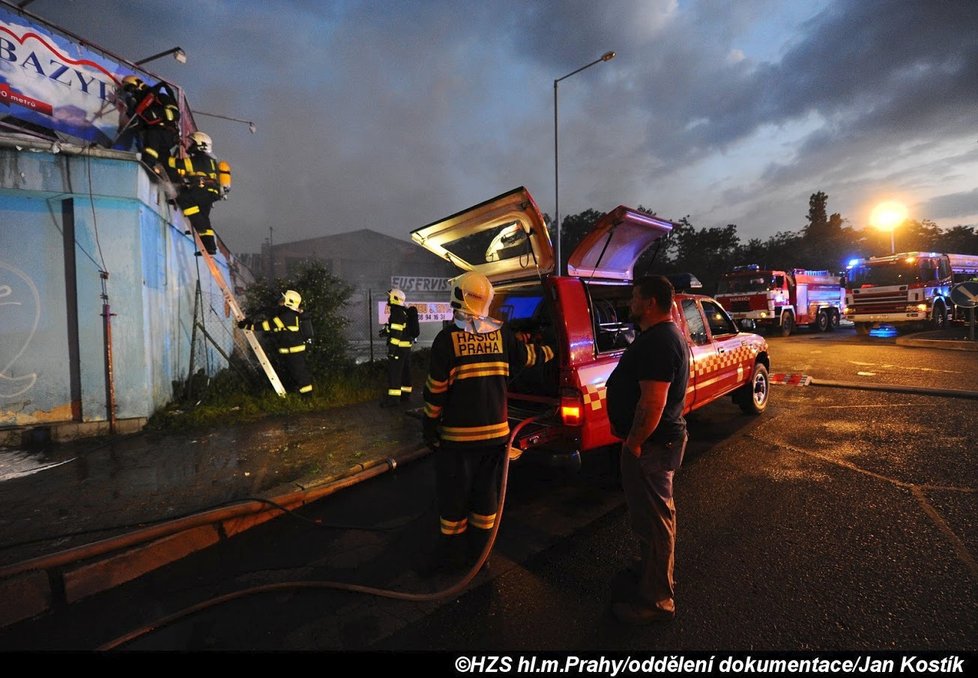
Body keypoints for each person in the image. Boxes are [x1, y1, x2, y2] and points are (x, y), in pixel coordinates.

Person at [421, 271, 554, 571]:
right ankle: (481, 555)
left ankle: (453, 557)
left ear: (459, 298)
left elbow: (435, 393)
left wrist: (429, 428)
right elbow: (529, 358)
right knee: (486, 495)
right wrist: (553, 348)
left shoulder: (447, 340)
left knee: (454, 499)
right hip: (496, 437)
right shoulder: (502, 333)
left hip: (457, 440)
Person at [604, 275, 689, 625]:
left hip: (652, 445)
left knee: (656, 522)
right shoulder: (659, 336)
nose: (631, 302)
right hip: (654, 444)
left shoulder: (658, 342)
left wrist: (634, 442)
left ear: (650, 302)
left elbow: (653, 403)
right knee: (649, 518)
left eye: (636, 297)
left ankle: (657, 601)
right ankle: (651, 570)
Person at [238, 289, 313, 396]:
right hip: (291, 351)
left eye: (284, 299)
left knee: (300, 374)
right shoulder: (289, 314)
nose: (281, 301)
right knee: (294, 374)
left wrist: (250, 326)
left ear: (289, 302)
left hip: (294, 351)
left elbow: (268, 325)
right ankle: (299, 396)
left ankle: (307, 398)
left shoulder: (288, 316)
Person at [168, 131, 230, 256]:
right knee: (204, 219)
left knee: (184, 198)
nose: (190, 145)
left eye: (192, 143)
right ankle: (209, 247)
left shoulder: (199, 159)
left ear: (200, 145)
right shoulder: (210, 160)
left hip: (202, 190)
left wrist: (163, 156)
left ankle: (198, 228)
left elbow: (178, 164)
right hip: (210, 192)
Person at [118, 75, 180, 173]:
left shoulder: (159, 97)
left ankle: (147, 166)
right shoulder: (138, 106)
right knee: (165, 161)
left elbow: (175, 114)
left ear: (136, 86)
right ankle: (176, 184)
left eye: (128, 88)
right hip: (153, 136)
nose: (128, 93)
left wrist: (154, 113)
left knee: (152, 137)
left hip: (166, 132)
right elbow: (138, 123)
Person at [379, 288, 413, 407]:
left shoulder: (396, 313)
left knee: (395, 373)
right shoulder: (404, 312)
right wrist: (387, 330)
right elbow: (399, 330)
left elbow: (397, 334)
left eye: (389, 297)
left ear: (395, 298)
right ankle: (405, 395)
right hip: (406, 348)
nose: (387, 299)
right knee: (405, 372)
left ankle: (393, 400)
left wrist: (391, 350)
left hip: (398, 348)